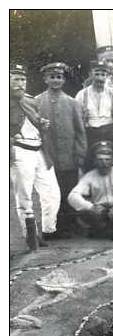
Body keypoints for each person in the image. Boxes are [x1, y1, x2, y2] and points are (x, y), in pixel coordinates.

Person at [10, 63, 62, 248]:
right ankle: (30, 234)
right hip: (20, 150)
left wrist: (42, 123)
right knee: (24, 195)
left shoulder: (30, 100)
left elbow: (36, 120)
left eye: (22, 79)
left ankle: (47, 230)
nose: (20, 83)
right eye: (15, 79)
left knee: (52, 193)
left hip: (40, 149)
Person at [34, 62, 87, 237]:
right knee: (49, 193)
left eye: (59, 77)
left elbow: (80, 131)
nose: (55, 80)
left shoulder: (72, 103)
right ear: (45, 79)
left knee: (67, 190)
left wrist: (80, 153)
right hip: (47, 155)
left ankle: (68, 226)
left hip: (68, 155)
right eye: (52, 77)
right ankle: (51, 228)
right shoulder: (36, 102)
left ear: (63, 80)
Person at [68, 140, 113, 240]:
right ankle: (111, 232)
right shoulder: (89, 176)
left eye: (107, 159)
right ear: (95, 161)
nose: (104, 163)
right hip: (99, 211)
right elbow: (73, 196)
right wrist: (91, 207)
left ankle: (105, 232)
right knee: (85, 214)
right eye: (100, 160)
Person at [76, 60, 113, 163]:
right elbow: (77, 122)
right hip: (90, 135)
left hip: (109, 135)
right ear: (91, 75)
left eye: (103, 74)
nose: (100, 78)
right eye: (97, 74)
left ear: (107, 76)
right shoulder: (82, 95)